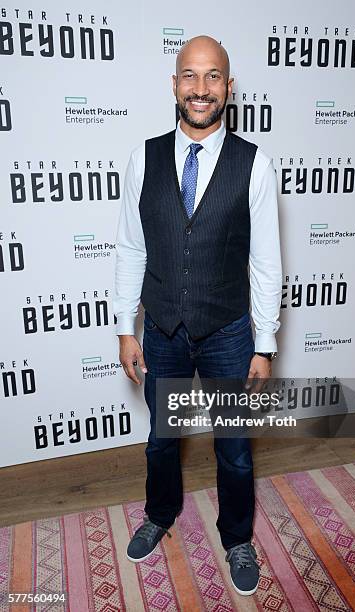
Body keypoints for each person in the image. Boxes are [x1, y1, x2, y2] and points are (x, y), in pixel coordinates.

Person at [113, 34, 282, 597]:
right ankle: (160, 513)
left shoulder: (254, 164)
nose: (201, 88)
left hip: (229, 332)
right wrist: (124, 327)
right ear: (175, 84)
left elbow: (264, 260)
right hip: (160, 330)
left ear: (229, 88)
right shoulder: (144, 156)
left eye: (213, 77)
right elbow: (131, 247)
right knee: (161, 439)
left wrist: (265, 342)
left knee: (233, 448)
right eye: (191, 75)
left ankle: (237, 537)